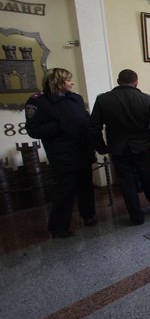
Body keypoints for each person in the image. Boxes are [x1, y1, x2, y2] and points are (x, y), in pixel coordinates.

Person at [90, 69, 150, 225]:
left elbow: (93, 127)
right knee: (148, 178)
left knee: (127, 183)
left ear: (118, 81)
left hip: (118, 149)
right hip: (142, 146)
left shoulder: (103, 99)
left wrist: (101, 147)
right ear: (136, 82)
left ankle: (136, 216)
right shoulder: (146, 99)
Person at [25, 68, 97, 238]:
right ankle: (58, 226)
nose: (72, 83)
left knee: (86, 187)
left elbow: (85, 119)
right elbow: (34, 130)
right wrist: (61, 125)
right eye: (67, 80)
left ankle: (88, 215)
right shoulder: (39, 102)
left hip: (82, 150)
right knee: (65, 190)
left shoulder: (76, 98)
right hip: (62, 154)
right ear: (57, 82)